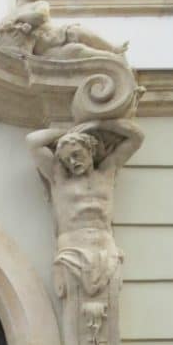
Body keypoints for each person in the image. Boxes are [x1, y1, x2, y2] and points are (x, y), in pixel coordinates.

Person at [26, 119, 143, 295]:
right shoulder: (60, 179)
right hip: (72, 248)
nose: (72, 162)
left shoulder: (107, 172)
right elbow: (33, 142)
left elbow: (137, 138)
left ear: (90, 149)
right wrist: (67, 131)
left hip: (105, 249)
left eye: (76, 154)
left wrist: (97, 125)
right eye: (67, 159)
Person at [0, 0, 128, 60]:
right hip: (41, 51)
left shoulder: (39, 5)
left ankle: (113, 50)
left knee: (77, 31)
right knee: (76, 51)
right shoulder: (8, 16)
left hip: (52, 37)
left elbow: (41, 17)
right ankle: (109, 58)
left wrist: (19, 19)